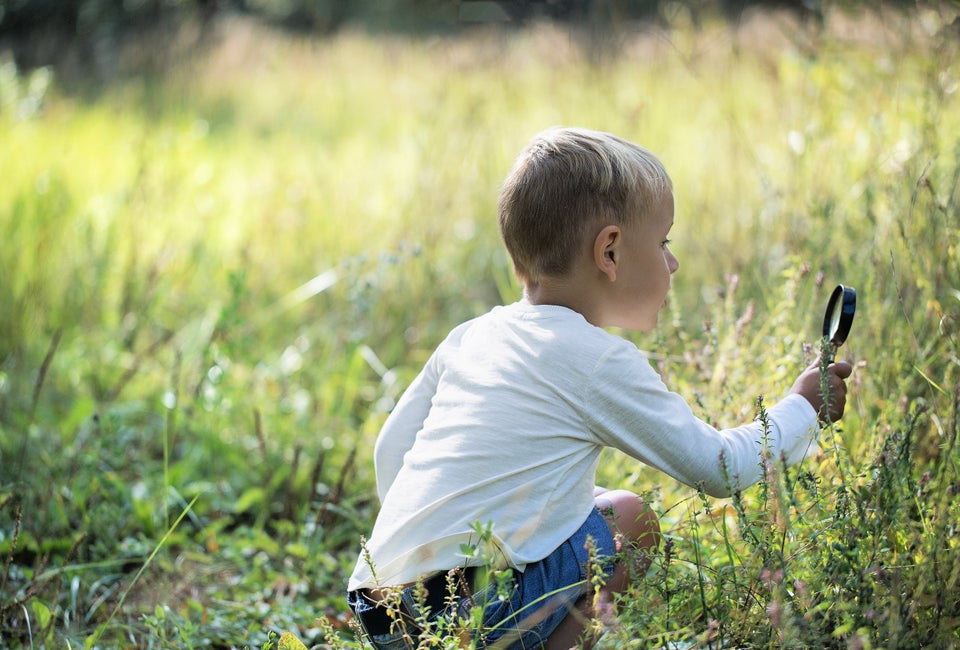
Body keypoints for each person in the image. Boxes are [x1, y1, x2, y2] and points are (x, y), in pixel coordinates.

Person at [346, 126, 853, 649]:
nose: (673, 263)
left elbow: (391, 452)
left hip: (379, 605)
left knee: (589, 504)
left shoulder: (472, 335)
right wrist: (802, 408)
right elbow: (720, 468)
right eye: (663, 243)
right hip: (468, 609)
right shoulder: (596, 359)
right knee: (628, 517)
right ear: (610, 251)